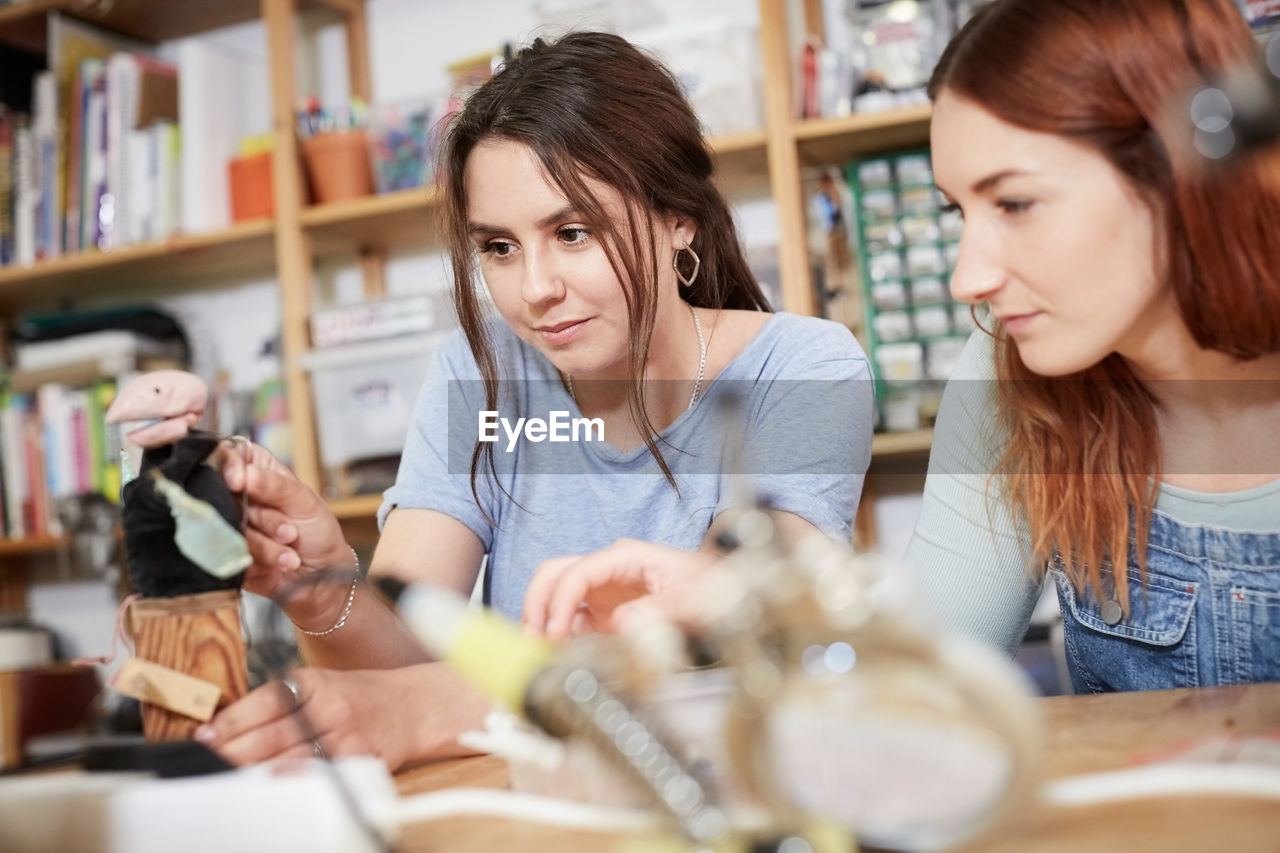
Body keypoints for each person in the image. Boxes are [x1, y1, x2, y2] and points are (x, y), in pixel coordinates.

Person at [523, 0, 1280, 694]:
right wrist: (736, 602)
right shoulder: (1013, 376)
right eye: (961, 211)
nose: (967, 277)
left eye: (1015, 203)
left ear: (1187, 170)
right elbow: (919, 679)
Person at [195, 31, 873, 768]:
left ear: (679, 217)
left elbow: (707, 641)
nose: (535, 289)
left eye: (573, 232)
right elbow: (397, 670)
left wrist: (426, 710)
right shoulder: (480, 373)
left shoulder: (807, 366)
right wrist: (322, 589)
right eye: (499, 247)